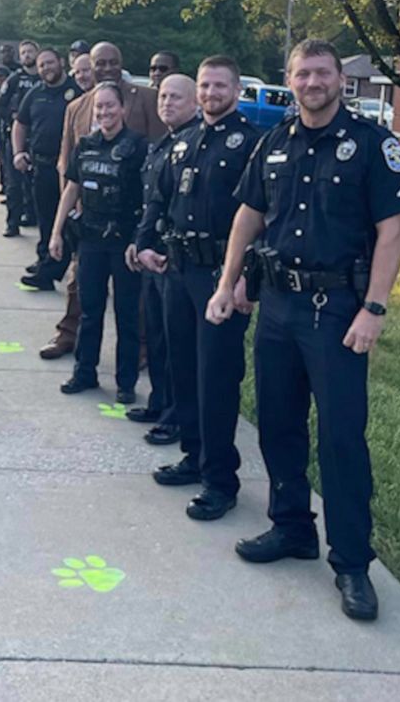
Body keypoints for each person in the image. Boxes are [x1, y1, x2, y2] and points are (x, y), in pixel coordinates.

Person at [206, 39, 400, 621]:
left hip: (337, 313)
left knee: (341, 439)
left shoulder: (372, 144)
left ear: (339, 81)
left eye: (322, 73)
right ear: (290, 78)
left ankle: (352, 563)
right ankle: (292, 527)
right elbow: (247, 216)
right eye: (302, 73)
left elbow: (393, 230)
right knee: (278, 424)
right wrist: (228, 284)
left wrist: (374, 310)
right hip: (276, 305)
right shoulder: (273, 142)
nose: (311, 82)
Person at [135, 63, 260, 517]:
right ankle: (193, 455)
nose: (210, 92)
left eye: (219, 85)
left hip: (219, 278)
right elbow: (159, 197)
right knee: (182, 367)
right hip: (178, 270)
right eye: (204, 85)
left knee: (217, 379)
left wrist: (248, 275)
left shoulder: (249, 143)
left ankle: (220, 479)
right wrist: (145, 243)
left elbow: (265, 213)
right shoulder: (182, 141)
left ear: (237, 89)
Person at [38, 42, 166, 359]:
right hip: (88, 219)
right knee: (78, 284)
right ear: (89, 66)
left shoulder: (146, 99)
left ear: (121, 63)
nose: (106, 68)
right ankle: (69, 335)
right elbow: (67, 165)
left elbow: (161, 157)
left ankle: (141, 349)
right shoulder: (78, 106)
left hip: (129, 220)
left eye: (113, 62)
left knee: (131, 293)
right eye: (100, 63)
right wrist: (65, 218)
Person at [49, 81, 147, 400]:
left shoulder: (138, 146)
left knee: (126, 313)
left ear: (122, 109)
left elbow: (148, 198)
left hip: (123, 242)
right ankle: (84, 373)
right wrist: (56, 232)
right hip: (90, 240)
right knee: (90, 311)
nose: (104, 111)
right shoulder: (86, 145)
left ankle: (126, 382)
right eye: (99, 106)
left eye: (110, 105)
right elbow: (71, 189)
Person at [121, 72, 200, 444]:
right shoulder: (161, 144)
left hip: (174, 258)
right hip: (152, 255)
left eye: (177, 98)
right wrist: (140, 242)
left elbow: (182, 207)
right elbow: (151, 202)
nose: (167, 103)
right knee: (153, 334)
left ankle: (174, 416)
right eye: (164, 97)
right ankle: (158, 401)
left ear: (195, 101)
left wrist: (158, 247)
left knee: (173, 343)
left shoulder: (195, 143)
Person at [12, 48, 81, 290]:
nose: (46, 69)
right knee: (45, 218)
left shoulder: (77, 91)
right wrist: (18, 152)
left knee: (66, 222)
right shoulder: (35, 93)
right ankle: (45, 260)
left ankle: (50, 271)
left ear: (61, 62)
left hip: (69, 169)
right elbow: (20, 124)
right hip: (40, 166)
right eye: (41, 65)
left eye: (50, 63)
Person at [0, 40, 41, 237]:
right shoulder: (14, 79)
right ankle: (12, 223)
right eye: (24, 52)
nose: (27, 55)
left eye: (30, 52)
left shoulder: (45, 78)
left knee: (36, 184)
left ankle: (31, 216)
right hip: (15, 139)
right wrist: (13, 117)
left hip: (39, 140)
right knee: (14, 184)